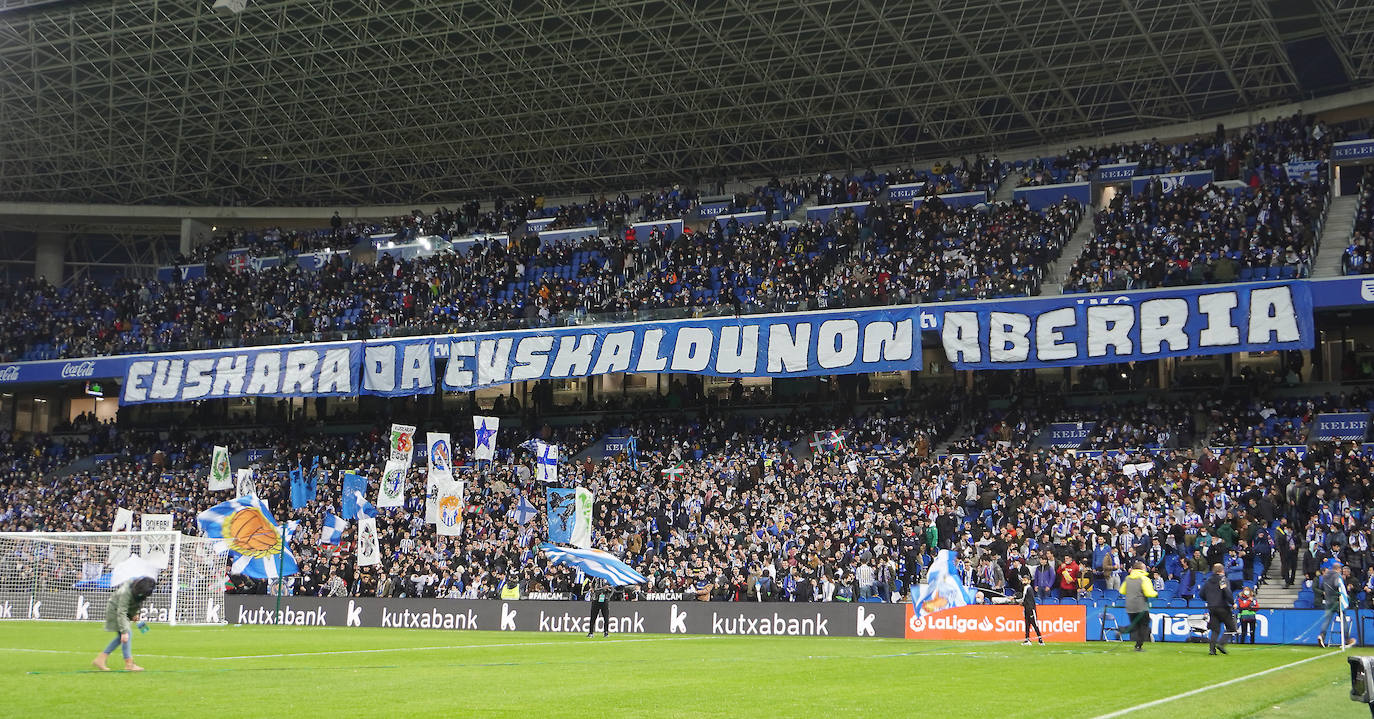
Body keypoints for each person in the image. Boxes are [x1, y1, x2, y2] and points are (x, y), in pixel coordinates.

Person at [94, 576, 156, 672]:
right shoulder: (125, 592)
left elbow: (136, 602)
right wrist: (124, 631)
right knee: (126, 634)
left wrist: (135, 613)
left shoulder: (141, 588)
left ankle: (101, 659)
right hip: (115, 611)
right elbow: (121, 611)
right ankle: (129, 664)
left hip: (125, 611)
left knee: (121, 638)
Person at [1119, 560, 1158, 651]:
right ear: (1141, 569)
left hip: (1130, 606)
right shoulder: (1144, 579)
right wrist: (1155, 594)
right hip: (1141, 606)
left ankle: (1122, 630)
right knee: (1144, 625)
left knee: (1135, 626)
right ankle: (1138, 645)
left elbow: (1122, 591)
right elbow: (1148, 592)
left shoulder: (1128, 578)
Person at [1201, 563, 1236, 655]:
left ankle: (1212, 650)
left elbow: (1201, 594)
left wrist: (1209, 600)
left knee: (1215, 630)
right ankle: (1221, 644)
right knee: (1231, 627)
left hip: (1212, 607)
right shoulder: (1223, 580)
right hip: (1223, 607)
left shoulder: (1208, 581)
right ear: (1222, 571)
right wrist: (1232, 603)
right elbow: (1226, 591)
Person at [1316, 561, 1350, 648]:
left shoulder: (1325, 576)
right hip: (1337, 601)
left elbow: (1321, 586)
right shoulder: (1336, 575)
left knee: (1327, 620)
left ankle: (1322, 636)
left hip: (1328, 600)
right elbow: (1336, 585)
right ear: (1338, 569)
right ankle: (1347, 640)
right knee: (1343, 619)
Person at [1013, 560, 1045, 646]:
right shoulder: (1025, 588)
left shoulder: (1028, 588)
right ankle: (1027, 640)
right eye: (1023, 579)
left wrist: (1019, 601)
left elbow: (1026, 599)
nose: (1024, 581)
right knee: (1027, 625)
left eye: (1025, 579)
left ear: (1029, 581)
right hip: (1026, 609)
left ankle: (1040, 639)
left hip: (1030, 609)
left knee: (1034, 624)